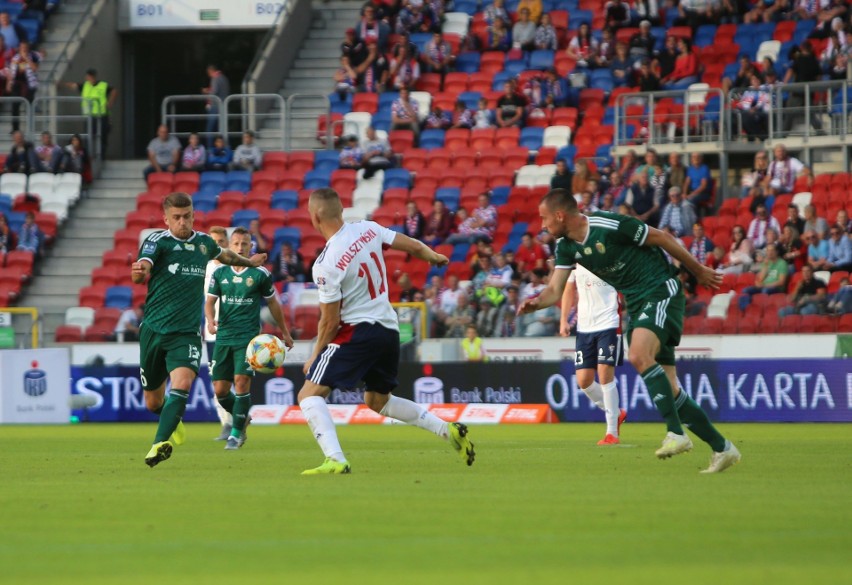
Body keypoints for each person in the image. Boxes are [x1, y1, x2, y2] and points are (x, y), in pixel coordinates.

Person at [519, 189, 741, 473]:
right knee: (671, 390)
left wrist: (696, 270)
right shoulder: (565, 246)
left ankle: (676, 434)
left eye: (544, 218)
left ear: (560, 215)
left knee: (638, 355)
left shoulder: (609, 225)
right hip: (637, 303)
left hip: (660, 289)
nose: (542, 225)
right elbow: (553, 291)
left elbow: (662, 237)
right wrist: (534, 304)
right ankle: (723, 448)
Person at [296, 188, 474, 475]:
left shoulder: (325, 264)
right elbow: (413, 246)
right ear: (341, 209)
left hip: (358, 332)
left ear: (315, 216)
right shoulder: (367, 228)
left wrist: (314, 357)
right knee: (377, 401)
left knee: (309, 394)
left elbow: (329, 322)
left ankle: (335, 459)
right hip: (389, 330)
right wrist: (432, 256)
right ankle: (446, 430)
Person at [131, 192, 269, 468]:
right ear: (166, 219)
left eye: (187, 216)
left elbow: (226, 255)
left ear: (193, 215)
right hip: (153, 330)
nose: (183, 222)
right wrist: (139, 272)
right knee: (153, 402)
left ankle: (160, 443)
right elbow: (143, 266)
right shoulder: (157, 241)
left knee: (183, 383)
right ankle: (171, 419)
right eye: (176, 218)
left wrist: (248, 262)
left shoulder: (204, 243)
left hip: (185, 333)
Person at [205, 227, 294, 450]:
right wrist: (209, 320)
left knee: (241, 383)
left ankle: (235, 434)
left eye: (245, 244)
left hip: (248, 338)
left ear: (251, 246)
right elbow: (209, 302)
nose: (241, 247)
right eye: (236, 244)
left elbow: (274, 303)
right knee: (220, 390)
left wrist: (284, 331)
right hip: (224, 337)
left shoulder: (260, 274)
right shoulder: (220, 273)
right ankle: (241, 417)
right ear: (229, 246)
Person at [560, 264, 627, 445]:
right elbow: (568, 288)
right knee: (584, 381)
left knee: (605, 373)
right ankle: (616, 412)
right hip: (584, 327)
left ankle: (611, 433)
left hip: (609, 322)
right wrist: (563, 320)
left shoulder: (608, 251)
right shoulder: (575, 256)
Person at [203, 226, 233, 440]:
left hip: (236, 331)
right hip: (212, 333)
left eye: (221, 241)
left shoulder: (237, 266)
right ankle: (226, 423)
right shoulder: (203, 268)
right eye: (214, 242)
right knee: (217, 381)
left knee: (237, 379)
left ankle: (237, 421)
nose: (218, 245)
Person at [61, 68, 117, 157]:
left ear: (93, 76)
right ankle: (89, 156)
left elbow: (114, 91)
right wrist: (61, 84)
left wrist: (110, 103)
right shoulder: (85, 86)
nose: (87, 78)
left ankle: (101, 157)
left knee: (102, 137)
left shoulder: (103, 85)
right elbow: (73, 85)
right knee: (89, 137)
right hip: (89, 116)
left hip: (102, 115)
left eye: (89, 76)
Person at [7, 40, 41, 133]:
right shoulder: (15, 58)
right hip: (17, 84)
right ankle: (15, 128)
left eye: (25, 48)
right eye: (22, 48)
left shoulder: (33, 56)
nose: (24, 49)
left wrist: (27, 59)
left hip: (29, 85)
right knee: (15, 107)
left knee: (29, 106)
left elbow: (35, 69)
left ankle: (30, 128)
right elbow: (11, 72)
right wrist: (9, 84)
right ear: (19, 48)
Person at [201, 64, 230, 146]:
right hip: (224, 106)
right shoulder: (224, 78)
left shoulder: (215, 78)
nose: (209, 75)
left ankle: (210, 150)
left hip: (215, 106)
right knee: (222, 130)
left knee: (209, 130)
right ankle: (225, 149)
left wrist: (205, 91)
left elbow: (214, 93)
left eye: (208, 73)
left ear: (211, 71)